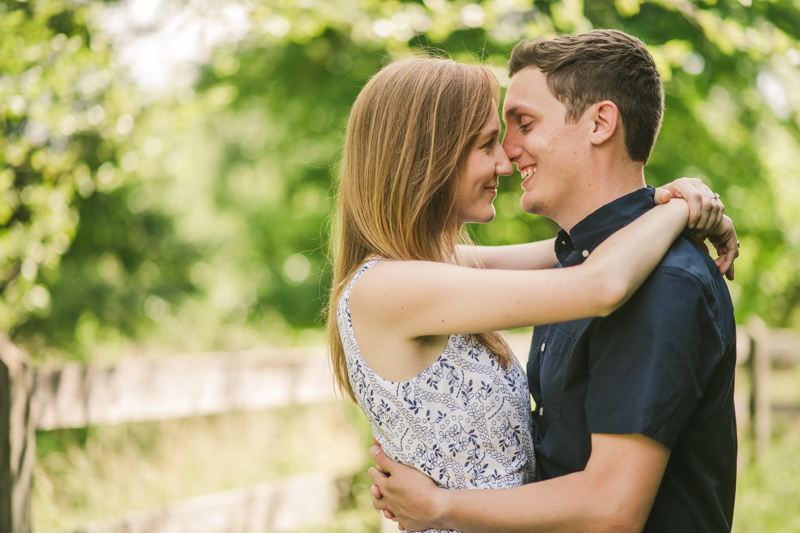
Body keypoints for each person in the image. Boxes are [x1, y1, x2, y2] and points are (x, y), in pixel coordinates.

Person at [368, 31, 739, 532]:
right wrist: (676, 205)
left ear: (600, 123)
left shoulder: (660, 282)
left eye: (523, 123)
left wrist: (439, 505)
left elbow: (610, 510)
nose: (508, 153)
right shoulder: (575, 262)